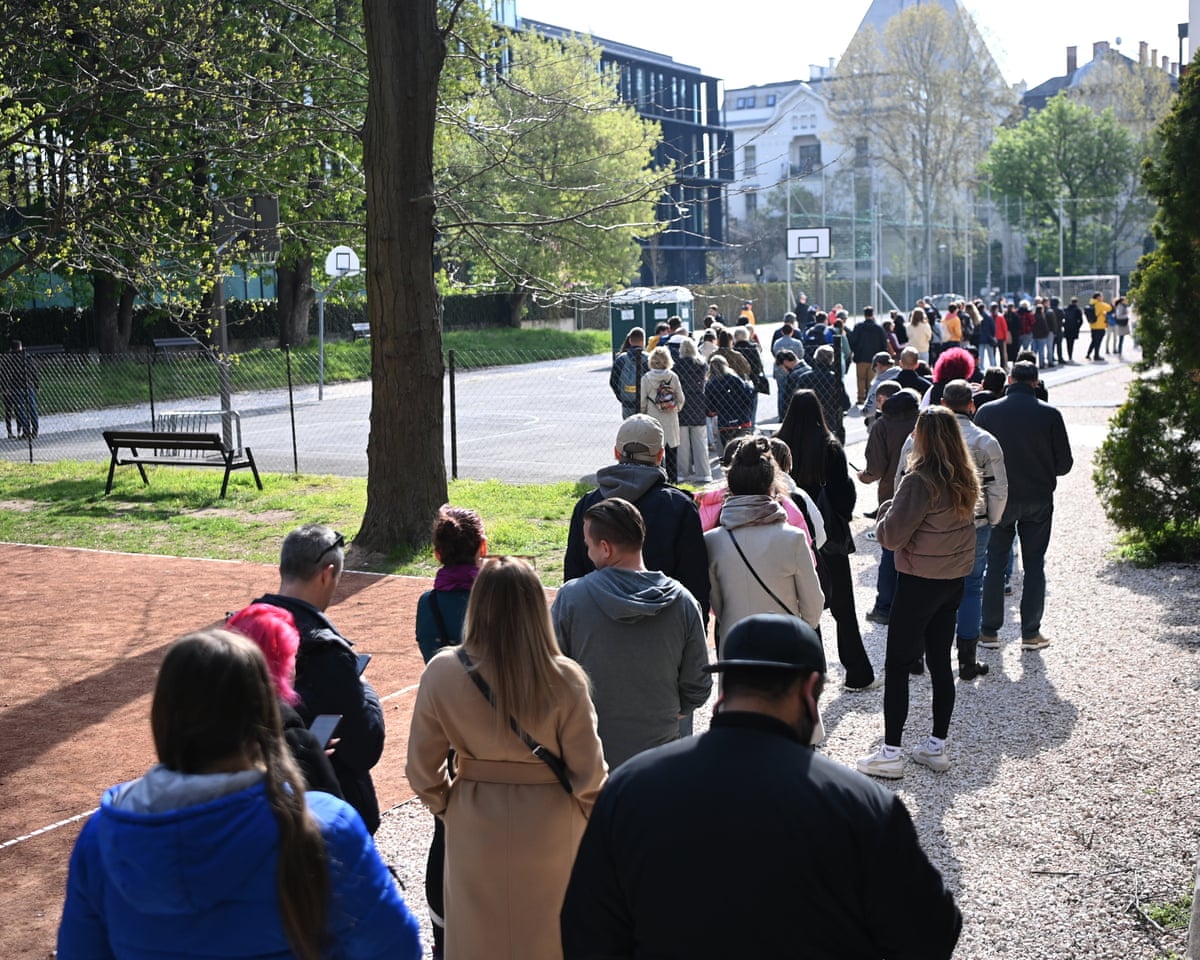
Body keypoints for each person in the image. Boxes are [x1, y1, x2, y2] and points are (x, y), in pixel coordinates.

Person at [560, 614, 963, 960]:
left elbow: (587, 932)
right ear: (809, 690)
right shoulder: (863, 808)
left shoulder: (631, 788)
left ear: (725, 687)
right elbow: (929, 935)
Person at [58, 629, 422, 960]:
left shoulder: (101, 836)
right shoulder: (325, 823)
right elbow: (396, 948)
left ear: (163, 716)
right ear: (264, 713)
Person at [407, 556, 608, 960]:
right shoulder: (565, 678)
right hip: (552, 823)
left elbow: (421, 771)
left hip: (474, 818)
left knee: (477, 940)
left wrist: (450, 806)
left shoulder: (443, 672)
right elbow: (591, 780)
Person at [857, 407, 979, 779]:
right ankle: (936, 746)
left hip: (919, 580)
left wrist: (884, 513)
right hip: (952, 581)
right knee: (941, 662)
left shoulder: (919, 480)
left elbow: (892, 537)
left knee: (897, 665)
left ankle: (890, 752)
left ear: (922, 436)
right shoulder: (965, 477)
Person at [553, 498, 711, 768]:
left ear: (605, 548)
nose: (587, 554)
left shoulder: (572, 598)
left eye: (588, 546)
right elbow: (699, 684)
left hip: (589, 755)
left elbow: (551, 675)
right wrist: (673, 712)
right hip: (660, 753)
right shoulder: (683, 602)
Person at [253, 524, 386, 832]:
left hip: (254, 808)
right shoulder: (326, 651)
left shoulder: (242, 629)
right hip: (323, 816)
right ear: (327, 574)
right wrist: (365, 691)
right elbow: (364, 747)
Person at [413, 504, 487, 959]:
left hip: (452, 737)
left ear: (437, 553)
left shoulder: (429, 605)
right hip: (505, 730)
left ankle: (444, 936)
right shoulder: (499, 599)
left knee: (445, 842)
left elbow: (430, 662)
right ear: (483, 548)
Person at [775, 390, 876, 690]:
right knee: (844, 607)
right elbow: (844, 495)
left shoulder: (779, 445)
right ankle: (857, 672)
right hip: (829, 537)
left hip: (792, 535)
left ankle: (812, 673)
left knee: (804, 605)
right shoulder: (830, 447)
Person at [564, 414, 709, 618]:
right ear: (660, 456)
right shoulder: (679, 506)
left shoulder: (587, 505)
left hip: (597, 626)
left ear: (616, 452)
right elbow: (695, 582)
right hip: (663, 628)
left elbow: (573, 576)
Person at [976, 362, 1073, 652]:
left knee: (994, 564)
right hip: (1038, 497)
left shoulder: (987, 412)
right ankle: (1031, 631)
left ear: (1009, 379)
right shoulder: (1050, 414)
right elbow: (1064, 464)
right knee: (1034, 565)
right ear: (1036, 382)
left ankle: (989, 630)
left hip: (999, 498)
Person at [705, 436, 824, 647]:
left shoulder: (712, 541)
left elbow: (716, 606)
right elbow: (813, 607)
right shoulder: (793, 539)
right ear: (772, 485)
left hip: (735, 644)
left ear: (730, 486)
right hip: (784, 644)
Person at [225, 603, 343, 798]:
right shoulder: (290, 731)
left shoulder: (200, 725)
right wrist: (310, 756)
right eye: (293, 656)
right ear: (281, 663)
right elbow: (335, 818)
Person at [858, 384, 921, 626]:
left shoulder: (881, 425)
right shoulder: (922, 423)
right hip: (924, 493)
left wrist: (863, 477)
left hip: (891, 495)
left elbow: (875, 468)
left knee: (890, 551)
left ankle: (884, 606)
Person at [639, 345, 685, 483]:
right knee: (672, 454)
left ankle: (658, 481)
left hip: (653, 418)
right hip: (670, 419)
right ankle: (673, 481)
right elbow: (681, 399)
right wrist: (674, 409)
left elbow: (642, 401)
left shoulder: (646, 378)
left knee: (655, 453)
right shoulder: (673, 377)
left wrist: (644, 414)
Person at [791, 344, 850, 444]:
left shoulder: (804, 378)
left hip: (808, 421)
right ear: (831, 360)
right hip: (830, 421)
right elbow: (846, 403)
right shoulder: (834, 378)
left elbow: (796, 400)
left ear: (816, 358)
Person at [673, 337, 712, 483]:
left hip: (682, 405)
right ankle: (704, 474)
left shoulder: (677, 366)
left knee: (682, 443)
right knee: (700, 441)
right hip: (698, 404)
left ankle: (682, 473)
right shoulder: (702, 365)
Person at [704, 353, 756, 451]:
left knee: (728, 450)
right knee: (744, 449)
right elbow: (748, 395)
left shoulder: (710, 384)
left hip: (724, 423)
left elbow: (709, 408)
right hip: (742, 418)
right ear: (726, 365)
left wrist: (714, 411)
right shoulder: (735, 378)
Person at [847, 306, 890, 405]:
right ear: (873, 314)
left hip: (861, 356)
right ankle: (870, 398)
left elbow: (853, 340)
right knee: (871, 380)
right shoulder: (878, 328)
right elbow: (883, 343)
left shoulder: (858, 327)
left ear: (864, 314)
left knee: (860, 378)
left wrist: (854, 351)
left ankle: (860, 398)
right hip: (874, 359)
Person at [609, 327, 649, 417]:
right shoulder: (649, 359)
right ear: (643, 342)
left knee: (629, 428)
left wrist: (622, 398)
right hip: (646, 404)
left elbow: (613, 382)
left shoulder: (621, 359)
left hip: (627, 404)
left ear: (630, 341)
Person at [3, 340, 39, 439]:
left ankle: (26, 431)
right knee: (32, 408)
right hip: (28, 385)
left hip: (16, 387)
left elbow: (7, 375)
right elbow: (34, 371)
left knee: (20, 409)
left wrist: (5, 387)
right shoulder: (27, 357)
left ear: (11, 348)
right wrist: (37, 384)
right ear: (21, 347)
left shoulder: (10, 360)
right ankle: (35, 430)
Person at [862, 350, 900, 427]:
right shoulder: (901, 374)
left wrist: (863, 411)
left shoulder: (878, 384)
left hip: (885, 422)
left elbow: (869, 410)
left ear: (878, 365)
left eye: (874, 369)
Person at [773, 349, 809, 422]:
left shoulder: (793, 376)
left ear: (786, 362)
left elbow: (788, 399)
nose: (783, 370)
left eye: (782, 366)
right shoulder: (809, 369)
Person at [1084, 293, 1111, 362]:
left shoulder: (1091, 304)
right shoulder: (1099, 304)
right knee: (1098, 342)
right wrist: (1102, 303)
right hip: (1100, 326)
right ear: (1098, 297)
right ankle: (1096, 355)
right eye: (1101, 297)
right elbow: (1109, 308)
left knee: (1093, 341)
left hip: (1093, 326)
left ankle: (1088, 354)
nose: (1102, 298)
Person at [1062, 296, 1084, 363]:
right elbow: (1081, 320)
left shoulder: (1066, 309)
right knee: (1071, 343)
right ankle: (1070, 356)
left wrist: (1064, 325)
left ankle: (1069, 355)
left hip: (1067, 328)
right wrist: (1077, 327)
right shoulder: (1077, 310)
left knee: (1068, 342)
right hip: (1074, 329)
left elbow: (1062, 318)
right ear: (1076, 302)